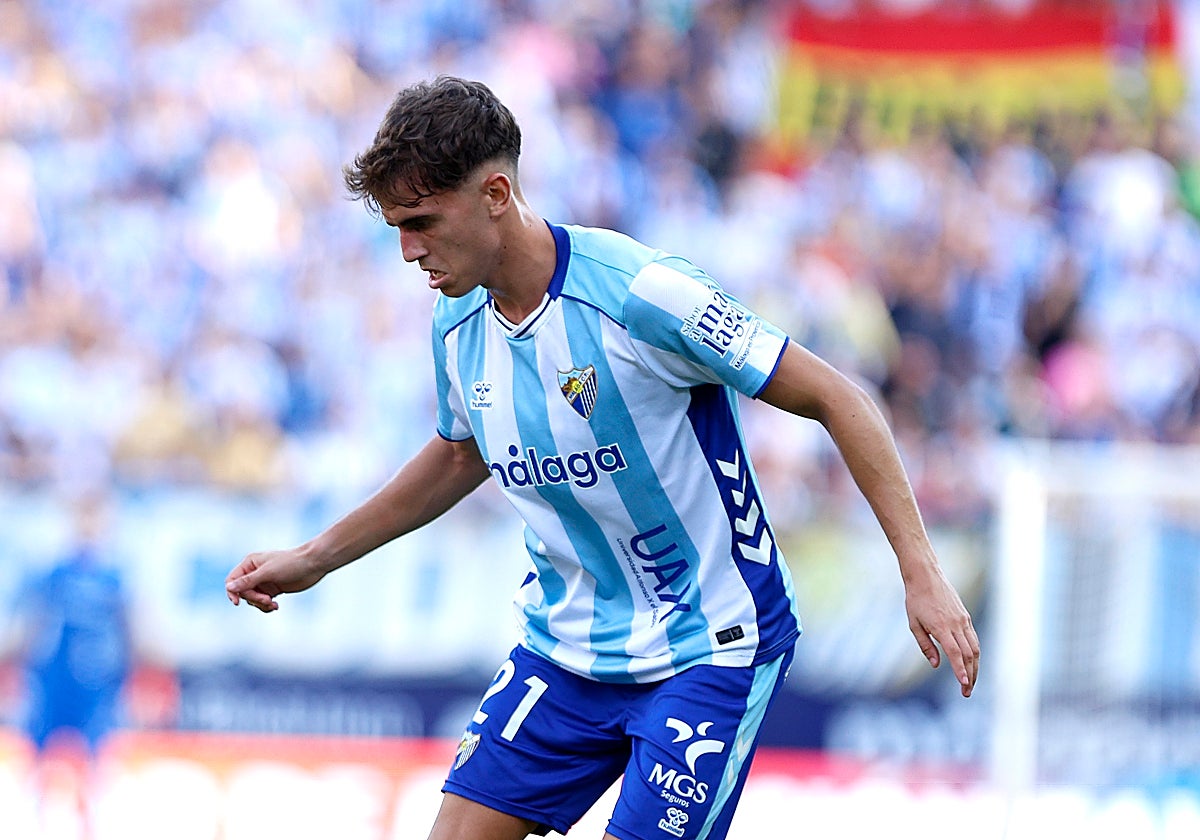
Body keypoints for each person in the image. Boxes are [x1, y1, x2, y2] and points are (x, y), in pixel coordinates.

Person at [225, 76, 980, 840]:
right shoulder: (456, 319)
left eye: (421, 221)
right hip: (565, 650)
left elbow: (838, 397)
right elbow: (460, 457)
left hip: (709, 648)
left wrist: (919, 570)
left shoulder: (644, 295)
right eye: (395, 226)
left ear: (494, 193)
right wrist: (316, 557)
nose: (407, 250)